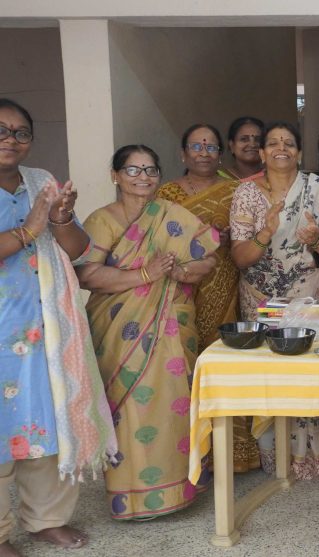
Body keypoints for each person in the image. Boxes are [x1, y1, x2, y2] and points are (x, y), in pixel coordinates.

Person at [77, 144, 219, 520]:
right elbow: (86, 274)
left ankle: (180, 489)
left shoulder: (172, 215)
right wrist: (144, 274)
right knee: (130, 411)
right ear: (116, 176)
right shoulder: (101, 220)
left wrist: (180, 272)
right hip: (118, 328)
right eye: (133, 170)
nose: (143, 177)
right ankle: (130, 496)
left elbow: (208, 257)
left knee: (173, 403)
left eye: (151, 170)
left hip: (171, 323)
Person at [0, 98, 116, 555]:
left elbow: (76, 249)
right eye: (2, 130)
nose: (11, 139)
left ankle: (46, 519)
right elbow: (28, 235)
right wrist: (29, 229)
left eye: (21, 132)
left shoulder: (40, 182)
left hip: (45, 323)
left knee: (47, 420)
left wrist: (62, 217)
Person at [229, 121, 319, 480]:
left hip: (314, 297)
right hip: (264, 302)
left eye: (289, 142)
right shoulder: (246, 194)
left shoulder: (318, 187)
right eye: (274, 143)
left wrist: (313, 239)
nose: (282, 148)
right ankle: (279, 460)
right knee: (273, 377)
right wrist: (264, 233)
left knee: (315, 376)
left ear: (298, 151)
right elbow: (240, 257)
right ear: (262, 153)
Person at [157, 123, 257, 474]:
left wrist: (229, 239)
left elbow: (251, 234)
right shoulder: (167, 193)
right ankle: (188, 451)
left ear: (220, 153)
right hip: (180, 287)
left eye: (211, 147)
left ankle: (235, 451)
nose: (203, 152)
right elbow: (158, 238)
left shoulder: (237, 191)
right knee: (186, 359)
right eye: (196, 146)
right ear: (183, 153)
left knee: (229, 359)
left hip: (227, 281)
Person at [218, 116, 264, 181]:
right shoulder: (219, 179)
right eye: (244, 139)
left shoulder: (273, 178)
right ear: (232, 145)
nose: (252, 144)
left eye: (258, 140)